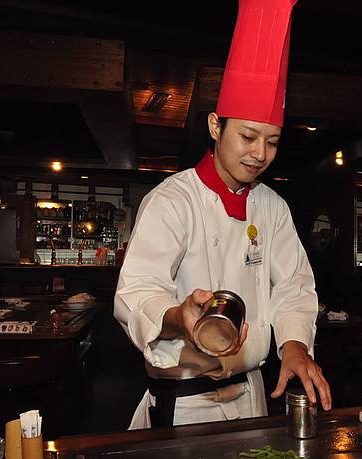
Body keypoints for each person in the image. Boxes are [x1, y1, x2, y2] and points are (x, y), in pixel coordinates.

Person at [114, 0, 331, 429]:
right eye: (248, 136)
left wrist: (295, 345)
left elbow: (293, 285)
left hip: (252, 398)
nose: (259, 154)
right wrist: (179, 318)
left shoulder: (272, 206)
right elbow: (136, 291)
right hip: (185, 406)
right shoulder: (173, 200)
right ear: (216, 127)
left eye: (272, 141)